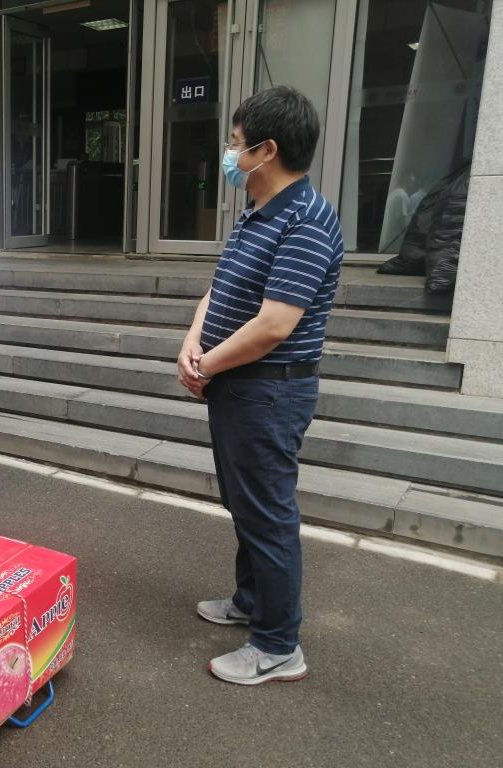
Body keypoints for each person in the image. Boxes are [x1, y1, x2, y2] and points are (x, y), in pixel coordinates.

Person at [177, 86, 344, 685]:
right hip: (239, 385)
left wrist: (206, 365)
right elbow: (219, 288)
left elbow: (275, 325)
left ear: (266, 151)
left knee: (268, 514)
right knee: (246, 503)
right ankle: (251, 601)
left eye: (236, 144)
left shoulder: (307, 220)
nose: (230, 155)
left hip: (268, 391)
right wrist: (193, 340)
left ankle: (277, 645)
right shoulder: (258, 212)